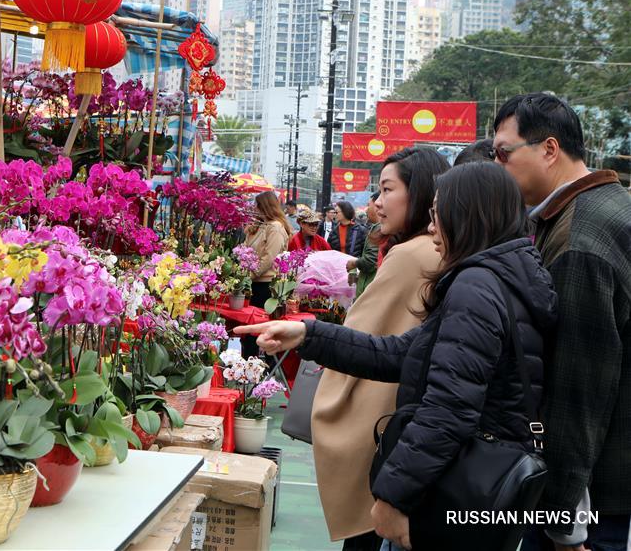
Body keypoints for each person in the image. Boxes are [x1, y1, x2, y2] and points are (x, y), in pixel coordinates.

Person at [236, 162, 557, 551]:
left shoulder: (476, 286)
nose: (433, 227)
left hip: (449, 489)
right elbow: (404, 352)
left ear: (467, 216)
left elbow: (448, 408)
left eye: (440, 215)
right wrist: (308, 333)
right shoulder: (509, 277)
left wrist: (393, 495)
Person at [492, 93, 631, 551]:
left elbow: (579, 388)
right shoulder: (599, 210)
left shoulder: (580, 238)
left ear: (549, 150)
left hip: (591, 494)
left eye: (503, 153)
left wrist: (563, 521)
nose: (497, 166)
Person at [307, 148, 450, 551]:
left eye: (387, 190)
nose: (377, 203)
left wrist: (315, 341)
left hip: (386, 432)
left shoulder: (409, 255)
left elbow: (361, 337)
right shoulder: (440, 253)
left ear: (420, 194)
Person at [242, 191, 293, 358]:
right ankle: (248, 363)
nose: (254, 208)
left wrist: (250, 274)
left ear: (264, 206)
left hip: (266, 284)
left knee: (260, 329)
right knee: (249, 330)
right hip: (254, 282)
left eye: (257, 205)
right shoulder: (261, 226)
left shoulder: (275, 228)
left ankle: (262, 367)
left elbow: (269, 258)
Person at [347, 192, 382, 298]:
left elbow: (370, 261)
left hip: (369, 292)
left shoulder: (378, 229)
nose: (366, 209)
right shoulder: (376, 227)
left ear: (378, 205)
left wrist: (354, 263)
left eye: (368, 205)